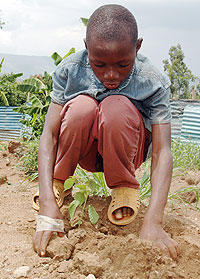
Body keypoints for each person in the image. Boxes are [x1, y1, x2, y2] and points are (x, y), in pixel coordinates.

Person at [33, 4, 181, 260]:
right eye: (99, 64)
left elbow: (162, 150)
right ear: (86, 47)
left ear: (138, 47)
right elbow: (50, 134)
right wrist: (46, 201)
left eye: (123, 64)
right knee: (80, 108)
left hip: (127, 150)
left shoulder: (152, 80)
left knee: (117, 105)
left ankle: (124, 186)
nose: (111, 75)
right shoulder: (70, 70)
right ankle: (59, 184)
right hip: (84, 150)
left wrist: (154, 221)